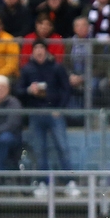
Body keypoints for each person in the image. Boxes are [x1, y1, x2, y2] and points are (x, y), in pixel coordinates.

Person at [16, 38, 80, 197]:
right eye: (35, 48)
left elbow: (66, 89)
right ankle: (42, 182)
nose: (38, 51)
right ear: (32, 52)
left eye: (41, 48)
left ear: (46, 51)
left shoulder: (57, 68)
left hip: (54, 113)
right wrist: (29, 91)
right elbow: (19, 91)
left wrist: (60, 108)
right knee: (39, 150)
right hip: (36, 114)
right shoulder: (27, 69)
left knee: (63, 148)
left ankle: (70, 182)